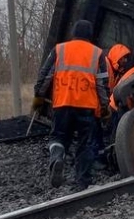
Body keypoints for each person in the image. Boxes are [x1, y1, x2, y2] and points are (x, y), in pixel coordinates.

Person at [32, 19, 110, 188]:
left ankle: (57, 157)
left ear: (73, 33)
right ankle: (82, 182)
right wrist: (104, 107)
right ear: (90, 36)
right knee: (85, 144)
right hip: (87, 107)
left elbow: (45, 76)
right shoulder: (97, 53)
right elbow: (102, 84)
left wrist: (39, 95)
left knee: (58, 137)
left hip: (62, 104)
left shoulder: (60, 49)